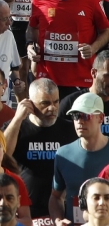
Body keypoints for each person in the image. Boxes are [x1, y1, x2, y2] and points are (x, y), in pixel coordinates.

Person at [29, 0, 109, 99]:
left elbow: (105, 31)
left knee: (80, 121)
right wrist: (30, 46)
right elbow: (32, 28)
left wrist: (93, 48)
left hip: (80, 77)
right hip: (48, 77)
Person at [4, 78, 67, 218]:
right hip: (25, 209)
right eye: (45, 103)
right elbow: (3, 155)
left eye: (56, 102)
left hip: (61, 209)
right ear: (30, 103)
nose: (52, 108)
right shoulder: (16, 128)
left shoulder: (69, 128)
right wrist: (17, 119)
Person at [51, 92, 109, 224]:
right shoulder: (63, 154)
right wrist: (58, 220)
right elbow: (55, 197)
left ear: (100, 118)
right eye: (75, 116)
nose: (79, 121)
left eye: (85, 116)